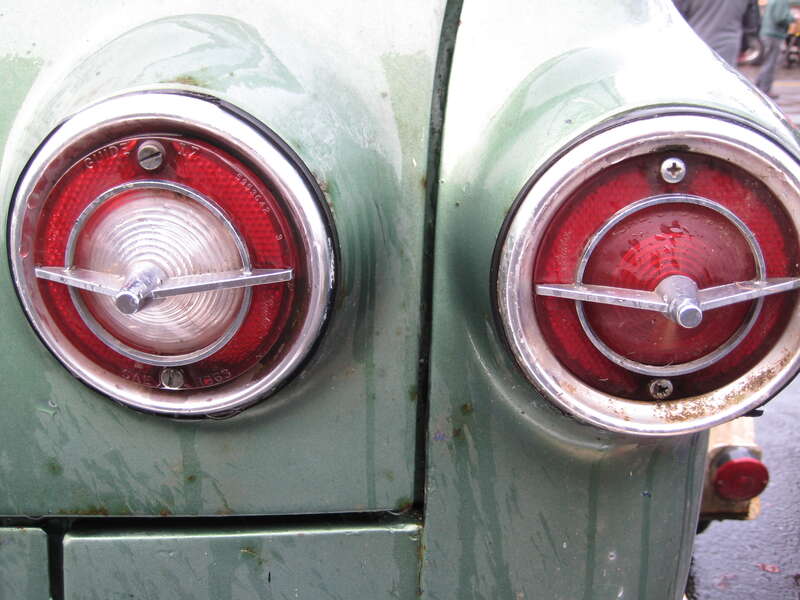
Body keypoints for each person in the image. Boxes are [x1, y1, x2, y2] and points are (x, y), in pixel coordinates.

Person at [674, 0, 754, 66]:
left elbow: (675, 15)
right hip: (727, 46)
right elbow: (750, 23)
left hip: (695, 42)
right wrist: (745, 46)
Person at [756, 0, 794, 97]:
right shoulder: (781, 1)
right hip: (774, 35)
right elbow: (780, 18)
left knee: (767, 62)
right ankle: (765, 90)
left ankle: (758, 87)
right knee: (771, 64)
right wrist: (792, 18)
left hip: (767, 34)